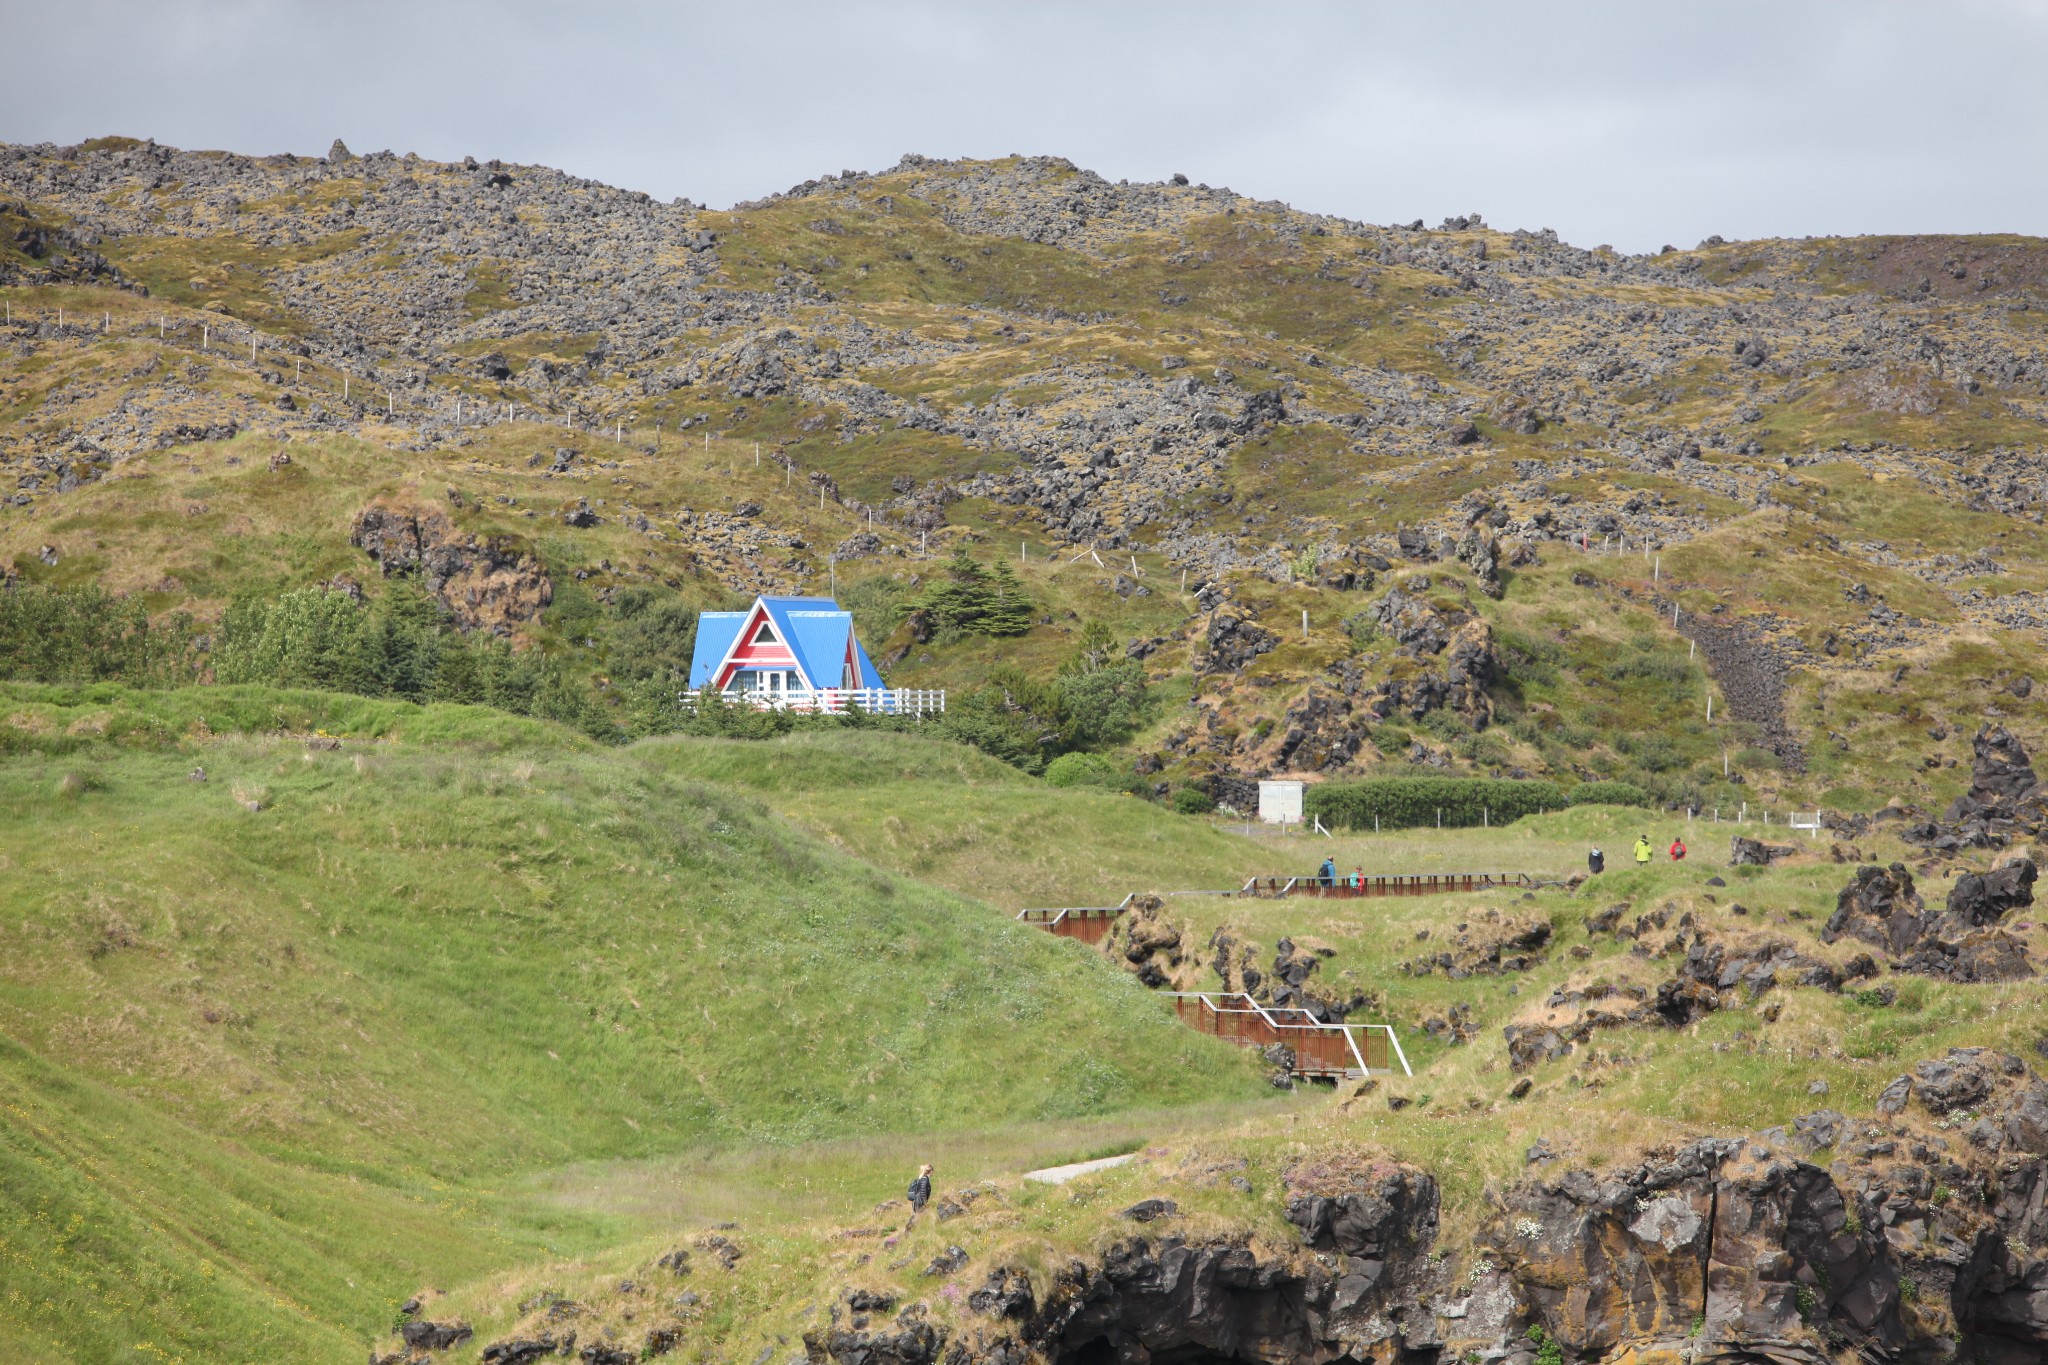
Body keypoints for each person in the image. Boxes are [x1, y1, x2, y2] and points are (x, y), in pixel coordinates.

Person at [905, 1163, 933, 1229]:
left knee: (917, 1219)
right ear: (930, 1171)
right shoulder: (924, 1180)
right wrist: (924, 1204)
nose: (933, 1173)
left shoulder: (923, 1179)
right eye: (932, 1171)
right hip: (919, 1203)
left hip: (917, 1202)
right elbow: (923, 1193)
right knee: (918, 1220)